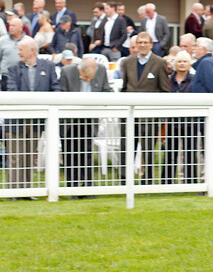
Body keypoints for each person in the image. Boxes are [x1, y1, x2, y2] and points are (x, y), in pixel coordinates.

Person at [5, 37, 60, 195]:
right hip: (16, 120)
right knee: (16, 157)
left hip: (36, 120)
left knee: (29, 157)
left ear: (32, 51)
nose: (18, 53)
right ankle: (15, 192)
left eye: (21, 50)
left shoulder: (48, 66)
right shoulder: (13, 68)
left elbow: (55, 89)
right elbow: (12, 91)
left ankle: (27, 191)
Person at [121, 32, 170, 183]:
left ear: (151, 44)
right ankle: (124, 180)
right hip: (129, 113)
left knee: (148, 148)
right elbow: (124, 87)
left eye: (145, 42)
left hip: (149, 115)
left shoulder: (159, 62)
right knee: (127, 147)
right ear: (135, 45)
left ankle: (147, 180)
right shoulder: (127, 62)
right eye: (139, 42)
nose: (142, 45)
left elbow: (165, 90)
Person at [60, 58, 111, 194]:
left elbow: (107, 90)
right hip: (70, 121)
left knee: (87, 153)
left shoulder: (101, 71)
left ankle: (88, 186)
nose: (88, 80)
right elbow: (62, 95)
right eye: (85, 77)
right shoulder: (67, 72)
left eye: (91, 77)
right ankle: (73, 187)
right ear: (79, 70)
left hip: (89, 119)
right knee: (70, 154)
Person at [163, 50, 199, 184]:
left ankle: (191, 181)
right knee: (170, 152)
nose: (182, 64)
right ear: (175, 64)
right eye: (179, 61)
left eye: (185, 61)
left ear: (189, 64)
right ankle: (166, 181)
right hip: (172, 120)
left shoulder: (194, 79)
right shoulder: (169, 79)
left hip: (190, 121)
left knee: (190, 153)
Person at [0, 18, 26, 89]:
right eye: (10, 25)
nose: (11, 28)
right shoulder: (2, 41)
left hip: (24, 75)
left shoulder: (28, 40)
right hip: (6, 76)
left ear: (21, 27)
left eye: (13, 26)